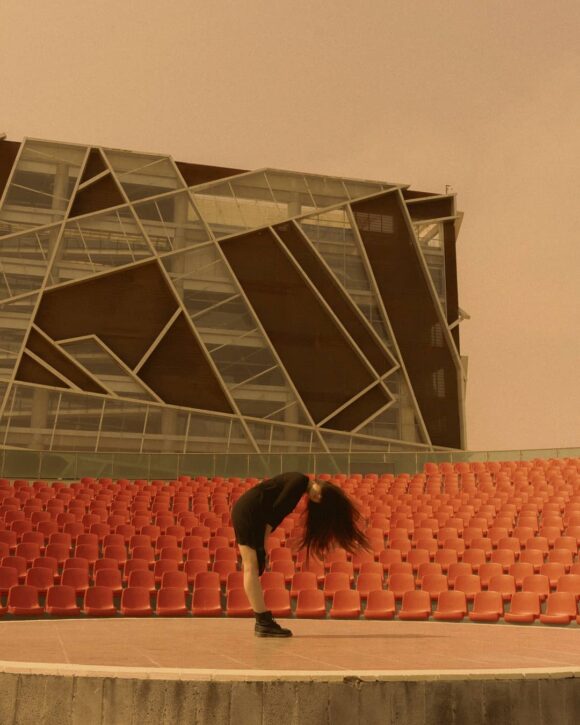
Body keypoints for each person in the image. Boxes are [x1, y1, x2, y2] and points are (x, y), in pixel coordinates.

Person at [231, 471, 370, 637]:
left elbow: (273, 514)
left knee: (251, 567)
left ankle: (263, 621)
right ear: (320, 483)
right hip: (249, 513)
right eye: (322, 494)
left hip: (249, 512)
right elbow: (275, 513)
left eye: (322, 500)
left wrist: (263, 544)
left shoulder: (299, 485)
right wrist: (263, 545)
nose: (319, 498)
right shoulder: (300, 481)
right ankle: (263, 622)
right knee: (250, 568)